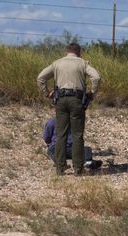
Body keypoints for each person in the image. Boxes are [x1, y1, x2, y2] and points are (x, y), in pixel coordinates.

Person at [37, 43, 101, 175]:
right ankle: (78, 169)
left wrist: (47, 93)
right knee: (77, 135)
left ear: (67, 52)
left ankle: (60, 168)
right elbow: (96, 77)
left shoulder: (57, 63)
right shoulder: (82, 63)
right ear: (79, 52)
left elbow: (41, 78)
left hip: (60, 100)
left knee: (61, 135)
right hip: (77, 100)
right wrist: (92, 93)